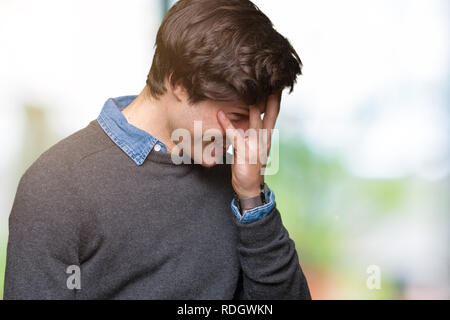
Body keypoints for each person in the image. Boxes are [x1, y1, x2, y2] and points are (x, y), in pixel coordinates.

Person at [4, 0, 311, 299]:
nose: (247, 140)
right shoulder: (57, 185)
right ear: (178, 83)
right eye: (236, 118)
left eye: (257, 120)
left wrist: (251, 198)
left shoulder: (238, 179)